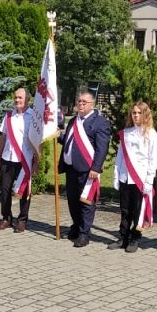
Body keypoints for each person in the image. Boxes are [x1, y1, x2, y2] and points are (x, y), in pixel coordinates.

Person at [58, 90, 111, 247]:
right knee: (73, 201)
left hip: (88, 171)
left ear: (92, 104)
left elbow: (102, 148)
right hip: (71, 168)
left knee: (86, 203)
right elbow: (70, 141)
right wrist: (58, 136)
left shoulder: (100, 122)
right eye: (79, 101)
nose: (80, 104)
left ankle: (84, 233)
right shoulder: (74, 120)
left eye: (84, 102)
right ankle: (76, 226)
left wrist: (96, 168)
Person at [110, 101, 157, 253]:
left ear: (145, 114)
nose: (136, 115)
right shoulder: (126, 132)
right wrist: (116, 175)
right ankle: (122, 237)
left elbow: (152, 159)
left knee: (137, 210)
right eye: (134, 113)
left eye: (139, 113)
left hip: (140, 178)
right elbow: (120, 156)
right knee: (125, 210)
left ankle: (134, 238)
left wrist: (149, 181)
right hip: (125, 177)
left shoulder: (151, 133)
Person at [0, 88, 36, 233]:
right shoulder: (8, 116)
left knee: (24, 191)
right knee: (5, 190)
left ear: (27, 100)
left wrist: (36, 163)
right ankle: (6, 218)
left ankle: (22, 220)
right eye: (15, 97)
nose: (17, 100)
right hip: (8, 158)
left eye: (20, 98)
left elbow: (38, 142)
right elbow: (3, 137)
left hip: (25, 160)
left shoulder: (33, 117)